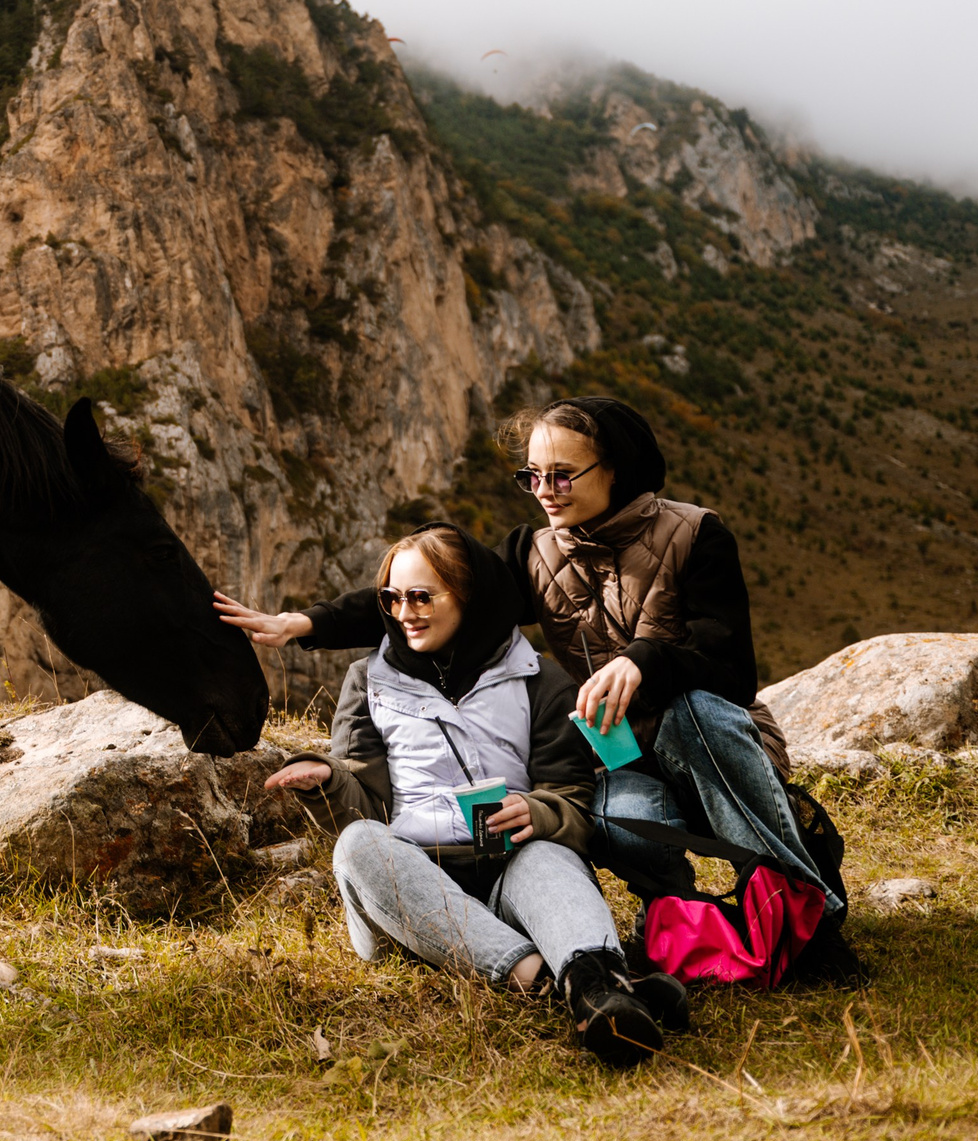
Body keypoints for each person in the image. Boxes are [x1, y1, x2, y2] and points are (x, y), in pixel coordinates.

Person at [220, 395, 853, 971]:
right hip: (620, 754)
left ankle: (810, 914)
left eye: (561, 474)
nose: (543, 491)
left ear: (617, 466)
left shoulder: (694, 534)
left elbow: (729, 662)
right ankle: (683, 924)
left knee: (696, 716)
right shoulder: (534, 553)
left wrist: (643, 660)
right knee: (619, 822)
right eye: (532, 476)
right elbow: (444, 590)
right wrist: (306, 622)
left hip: (706, 739)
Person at [264, 524, 682, 1066]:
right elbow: (367, 806)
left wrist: (537, 811)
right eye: (391, 598)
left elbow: (574, 804)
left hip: (511, 873)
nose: (403, 612)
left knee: (550, 855)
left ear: (469, 596)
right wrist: (327, 781)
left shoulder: (542, 681)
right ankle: (552, 981)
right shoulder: (365, 681)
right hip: (412, 907)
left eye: (421, 596)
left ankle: (592, 986)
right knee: (357, 845)